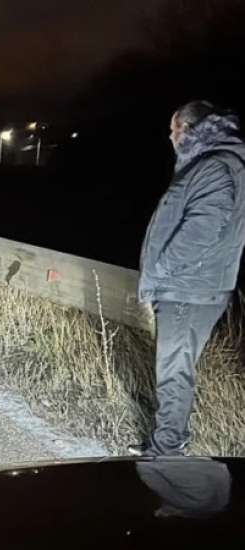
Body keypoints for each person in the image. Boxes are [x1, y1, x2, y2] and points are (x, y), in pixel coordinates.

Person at [132, 100, 245, 456]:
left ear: (190, 130)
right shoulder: (211, 163)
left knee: (174, 372)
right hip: (192, 287)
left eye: (174, 128)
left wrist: (159, 272)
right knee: (175, 368)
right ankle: (167, 441)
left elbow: (201, 230)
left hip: (188, 291)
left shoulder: (214, 167)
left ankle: (167, 451)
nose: (169, 135)